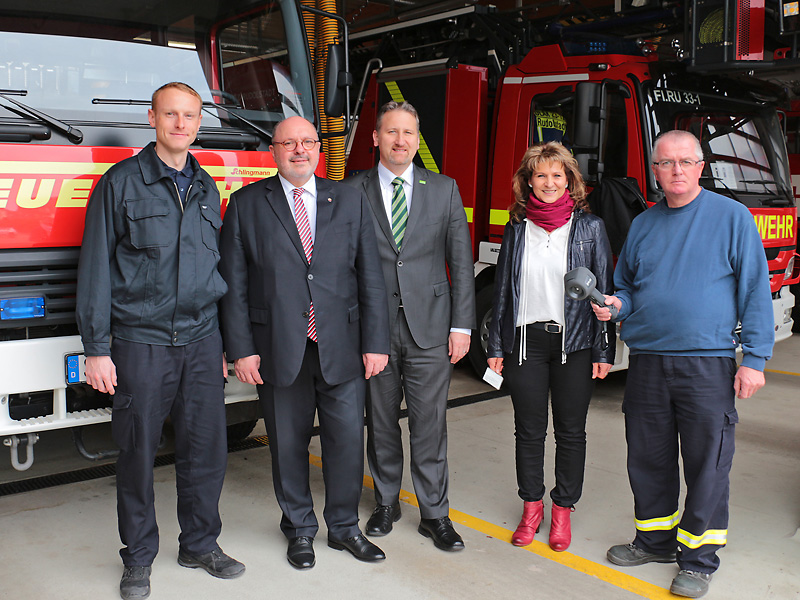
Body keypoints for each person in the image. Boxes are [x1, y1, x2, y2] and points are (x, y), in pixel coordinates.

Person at [76, 82, 245, 600]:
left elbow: (213, 269)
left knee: (206, 452)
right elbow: (95, 271)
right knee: (137, 453)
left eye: (190, 116)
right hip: (140, 342)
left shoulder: (207, 187)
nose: (180, 124)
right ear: (152, 118)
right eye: (170, 114)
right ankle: (139, 557)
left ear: (199, 123)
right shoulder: (121, 184)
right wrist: (97, 348)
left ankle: (199, 543)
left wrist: (220, 342)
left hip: (199, 340)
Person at [595, 130, 774, 599]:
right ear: (654, 171)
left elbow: (756, 291)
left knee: (707, 464)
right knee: (648, 459)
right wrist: (616, 306)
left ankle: (697, 560)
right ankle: (654, 541)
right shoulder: (643, 225)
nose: (676, 170)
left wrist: (754, 359)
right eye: (666, 163)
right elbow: (628, 287)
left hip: (707, 363)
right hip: (648, 363)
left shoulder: (732, 218)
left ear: (701, 166)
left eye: (685, 162)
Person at [218, 116, 391, 570]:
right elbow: (233, 285)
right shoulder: (246, 204)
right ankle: (298, 529)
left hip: (344, 347)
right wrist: (240, 348)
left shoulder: (350, 199)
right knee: (287, 445)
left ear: (320, 149)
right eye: (289, 143)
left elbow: (371, 276)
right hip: (276, 348)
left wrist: (376, 342)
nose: (300, 150)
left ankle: (344, 528)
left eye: (308, 142)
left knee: (347, 442)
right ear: (272, 151)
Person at [344, 101, 475, 551]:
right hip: (374, 330)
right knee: (380, 421)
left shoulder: (443, 189)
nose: (401, 141)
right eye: (392, 132)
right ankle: (385, 502)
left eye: (409, 133)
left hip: (431, 328)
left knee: (429, 423)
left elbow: (460, 260)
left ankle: (434, 513)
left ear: (418, 140)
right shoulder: (351, 189)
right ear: (375, 138)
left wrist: (463, 326)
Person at [486, 141, 615, 553]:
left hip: (574, 344)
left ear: (569, 181)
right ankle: (531, 509)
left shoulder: (590, 228)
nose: (548, 182)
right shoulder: (517, 228)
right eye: (540, 174)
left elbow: (604, 295)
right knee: (528, 430)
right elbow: (503, 291)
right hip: (526, 343)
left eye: (557, 175)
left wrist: (604, 351)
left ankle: (562, 511)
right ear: (528, 181)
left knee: (571, 432)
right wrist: (495, 344)